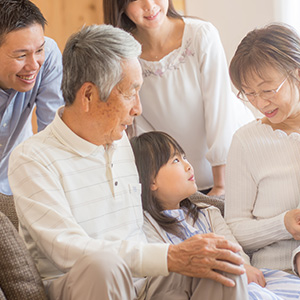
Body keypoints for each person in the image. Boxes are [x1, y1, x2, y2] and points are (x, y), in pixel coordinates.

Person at [8, 24, 248, 300]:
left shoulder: (121, 142)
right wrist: (169, 256)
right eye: (129, 93)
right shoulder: (32, 159)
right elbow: (68, 250)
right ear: (88, 95)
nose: (138, 108)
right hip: (84, 286)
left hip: (144, 285)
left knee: (221, 264)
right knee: (104, 265)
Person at [103, 0, 254, 196]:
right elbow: (141, 127)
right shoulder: (123, 56)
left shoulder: (201, 35)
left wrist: (221, 185)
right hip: (184, 182)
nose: (149, 5)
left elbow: (219, 109)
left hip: (234, 168)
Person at [130, 130, 300, 300]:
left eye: (184, 157)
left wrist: (244, 267)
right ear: (151, 180)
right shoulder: (146, 225)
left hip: (238, 276)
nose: (188, 165)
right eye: (175, 160)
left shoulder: (208, 212)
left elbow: (234, 248)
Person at [225, 23, 300, 274]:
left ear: (297, 73)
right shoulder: (247, 141)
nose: (260, 103)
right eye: (249, 94)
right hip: (274, 274)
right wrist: (283, 224)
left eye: (267, 90)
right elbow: (234, 229)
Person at [0, 0, 63, 196]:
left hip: (17, 183)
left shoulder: (49, 55)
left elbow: (54, 137)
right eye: (21, 56)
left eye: (38, 51)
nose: (34, 64)